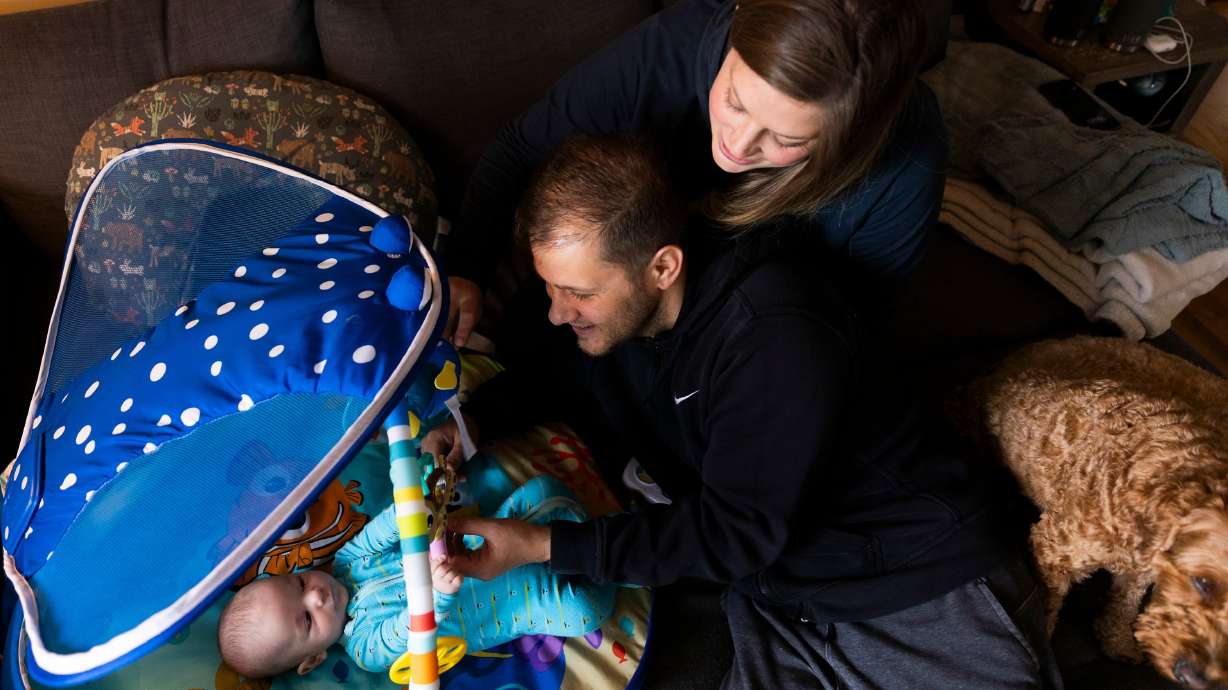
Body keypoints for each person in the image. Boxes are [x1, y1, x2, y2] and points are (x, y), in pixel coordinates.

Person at [426, 134, 1063, 689]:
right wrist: (471, 423)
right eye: (550, 287)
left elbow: (734, 530)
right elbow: (557, 368)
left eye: (577, 293)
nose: (556, 311)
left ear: (662, 267)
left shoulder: (774, 331)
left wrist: (543, 545)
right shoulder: (620, 314)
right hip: (784, 597)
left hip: (917, 585)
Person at [442, 0, 947, 346]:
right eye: (735, 100)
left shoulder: (906, 164)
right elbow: (520, 148)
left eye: (787, 139)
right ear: (736, 23)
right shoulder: (675, 46)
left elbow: (845, 333)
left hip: (743, 336)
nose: (737, 146)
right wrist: (464, 270)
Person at [216, 470, 616, 678]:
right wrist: (437, 593)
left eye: (300, 583)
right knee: (584, 609)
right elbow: (409, 631)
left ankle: (592, 537)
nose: (316, 595)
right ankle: (605, 550)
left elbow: (379, 532)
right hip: (524, 600)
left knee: (543, 489)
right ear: (313, 659)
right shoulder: (365, 648)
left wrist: (408, 512)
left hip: (494, 540)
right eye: (306, 619)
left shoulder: (346, 562)